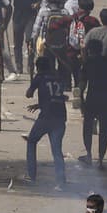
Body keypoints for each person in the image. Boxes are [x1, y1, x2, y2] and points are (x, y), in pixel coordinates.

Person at [25, 54, 71, 186]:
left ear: (38, 68)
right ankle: (61, 182)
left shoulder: (39, 77)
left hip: (46, 117)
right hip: (60, 116)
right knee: (57, 150)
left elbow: (28, 94)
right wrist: (39, 104)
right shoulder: (58, 78)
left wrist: (32, 85)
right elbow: (55, 97)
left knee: (32, 141)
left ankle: (31, 175)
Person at [80, 37, 107, 168]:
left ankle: (89, 154)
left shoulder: (88, 63)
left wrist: (81, 100)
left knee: (88, 127)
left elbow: (82, 84)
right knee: (105, 130)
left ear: (89, 50)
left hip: (92, 98)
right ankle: (100, 159)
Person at [6, 0, 44, 79]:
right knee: (17, 43)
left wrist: (37, 4)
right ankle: (18, 65)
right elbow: (8, 0)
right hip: (17, 17)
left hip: (31, 17)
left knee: (29, 40)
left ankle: (30, 63)